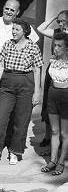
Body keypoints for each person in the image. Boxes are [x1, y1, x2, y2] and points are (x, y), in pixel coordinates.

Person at [0, 19, 43, 165]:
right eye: (13, 29)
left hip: (26, 84)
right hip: (7, 84)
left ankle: (15, 152)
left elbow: (37, 69)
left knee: (21, 120)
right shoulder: (8, 44)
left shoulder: (32, 47)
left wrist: (37, 92)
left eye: (17, 29)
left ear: (24, 31)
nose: (13, 32)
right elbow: (1, 66)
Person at [37, 10, 68, 147]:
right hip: (54, 69)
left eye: (63, 21)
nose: (60, 23)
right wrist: (53, 17)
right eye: (59, 21)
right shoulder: (56, 32)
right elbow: (40, 29)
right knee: (49, 102)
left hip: (66, 71)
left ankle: (62, 139)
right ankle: (48, 135)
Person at [40, 32, 68, 176]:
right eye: (55, 45)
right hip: (52, 94)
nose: (56, 48)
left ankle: (61, 161)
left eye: (59, 46)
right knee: (54, 131)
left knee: (64, 132)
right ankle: (52, 160)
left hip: (66, 96)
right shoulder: (53, 60)